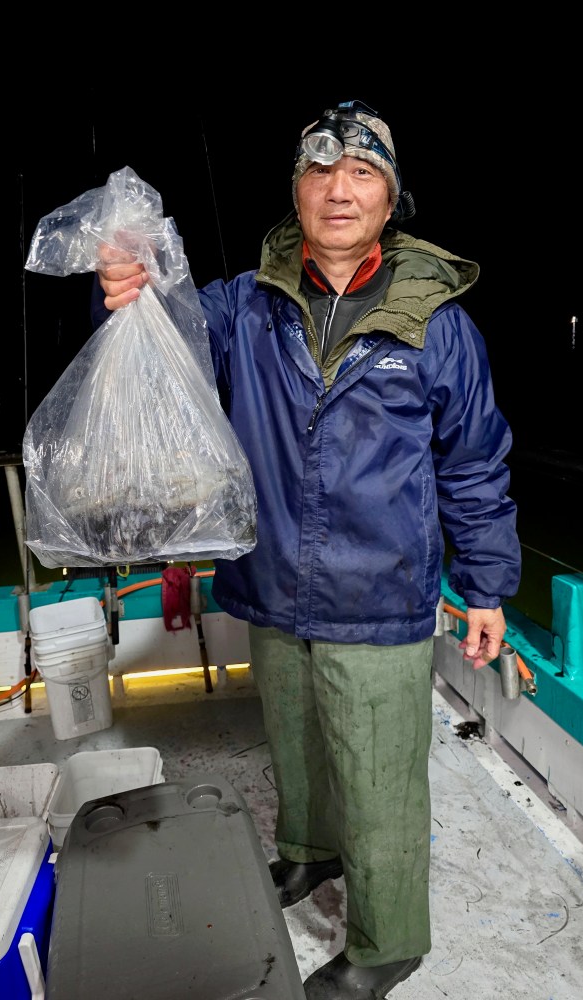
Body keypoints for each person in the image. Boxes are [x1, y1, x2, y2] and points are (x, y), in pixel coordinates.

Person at [92, 100, 521, 999]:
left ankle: (387, 937)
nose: (339, 189)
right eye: (320, 171)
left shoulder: (439, 326)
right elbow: (169, 330)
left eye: (362, 173)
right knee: (296, 749)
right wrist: (134, 282)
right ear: (296, 190)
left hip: (381, 593)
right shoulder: (245, 305)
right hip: (274, 581)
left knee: (378, 780)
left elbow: (475, 464)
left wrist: (485, 587)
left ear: (390, 198)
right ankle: (307, 853)